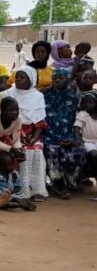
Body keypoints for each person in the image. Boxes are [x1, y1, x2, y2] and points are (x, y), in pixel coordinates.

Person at [1, 66, 49, 201]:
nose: (18, 79)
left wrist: (34, 138)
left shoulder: (38, 96)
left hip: (32, 133)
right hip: (11, 132)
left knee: (37, 151)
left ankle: (37, 189)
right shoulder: (7, 94)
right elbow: (3, 118)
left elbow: (40, 121)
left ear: (31, 80)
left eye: (22, 77)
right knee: (20, 150)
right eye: (17, 77)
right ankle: (21, 187)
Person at [43, 69, 85, 199]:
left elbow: (78, 120)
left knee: (79, 151)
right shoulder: (45, 96)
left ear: (67, 79)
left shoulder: (74, 98)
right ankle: (58, 183)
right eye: (55, 78)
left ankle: (71, 180)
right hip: (49, 135)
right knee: (52, 151)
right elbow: (42, 120)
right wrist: (52, 137)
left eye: (61, 78)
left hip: (69, 136)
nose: (57, 80)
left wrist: (72, 138)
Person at [74, 91, 97, 188]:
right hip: (88, 141)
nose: (88, 104)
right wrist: (78, 139)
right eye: (85, 102)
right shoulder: (83, 114)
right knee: (94, 154)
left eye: (91, 102)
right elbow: (77, 127)